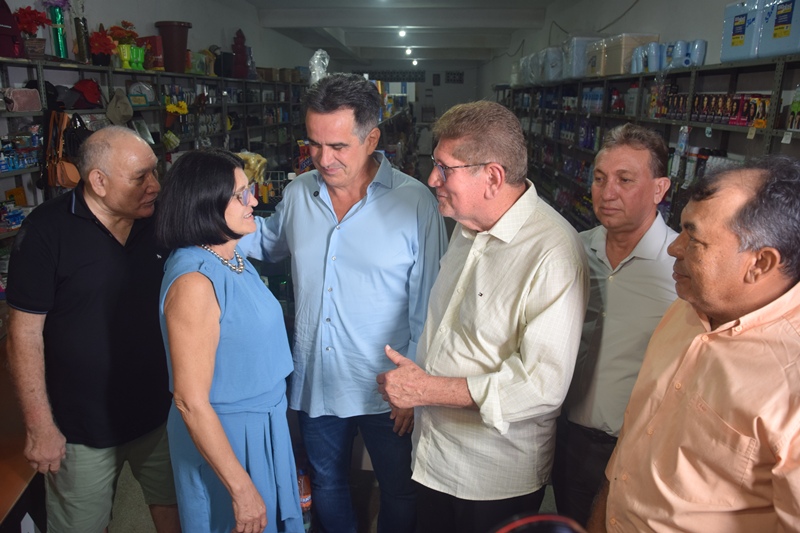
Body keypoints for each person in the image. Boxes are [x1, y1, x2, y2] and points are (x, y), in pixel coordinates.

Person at [240, 73, 447, 533]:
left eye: (337, 146)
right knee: (327, 483)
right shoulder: (299, 193)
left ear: (371, 139)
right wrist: (208, 216)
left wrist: (415, 387)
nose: (323, 159)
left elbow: (430, 305)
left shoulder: (414, 203)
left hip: (387, 386)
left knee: (400, 488)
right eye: (313, 144)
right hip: (318, 379)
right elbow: (268, 244)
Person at [377, 100, 589, 533]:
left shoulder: (552, 251)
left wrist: (427, 389)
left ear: (492, 176)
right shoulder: (467, 224)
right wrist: (419, 390)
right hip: (434, 455)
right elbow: (450, 328)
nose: (431, 179)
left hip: (491, 477)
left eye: (444, 168)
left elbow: (541, 386)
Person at [587, 155, 800, 532]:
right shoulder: (686, 309)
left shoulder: (790, 378)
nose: (674, 247)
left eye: (694, 238)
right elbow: (633, 443)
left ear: (760, 263)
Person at [5, 126, 180, 532]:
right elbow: (23, 335)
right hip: (80, 428)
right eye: (140, 177)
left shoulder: (158, 222)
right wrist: (40, 426)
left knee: (176, 510)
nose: (155, 186)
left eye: (155, 172)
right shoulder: (46, 232)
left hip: (158, 413)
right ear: (98, 182)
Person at [156, 149, 303, 533]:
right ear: (205, 204)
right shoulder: (194, 282)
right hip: (227, 435)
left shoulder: (232, 258)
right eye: (241, 195)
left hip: (263, 424)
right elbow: (190, 401)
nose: (253, 201)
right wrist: (240, 488)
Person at [551, 124, 676, 526]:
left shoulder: (679, 269)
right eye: (600, 178)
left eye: (625, 180)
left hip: (634, 447)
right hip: (567, 433)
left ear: (659, 189)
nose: (607, 193)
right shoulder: (574, 249)